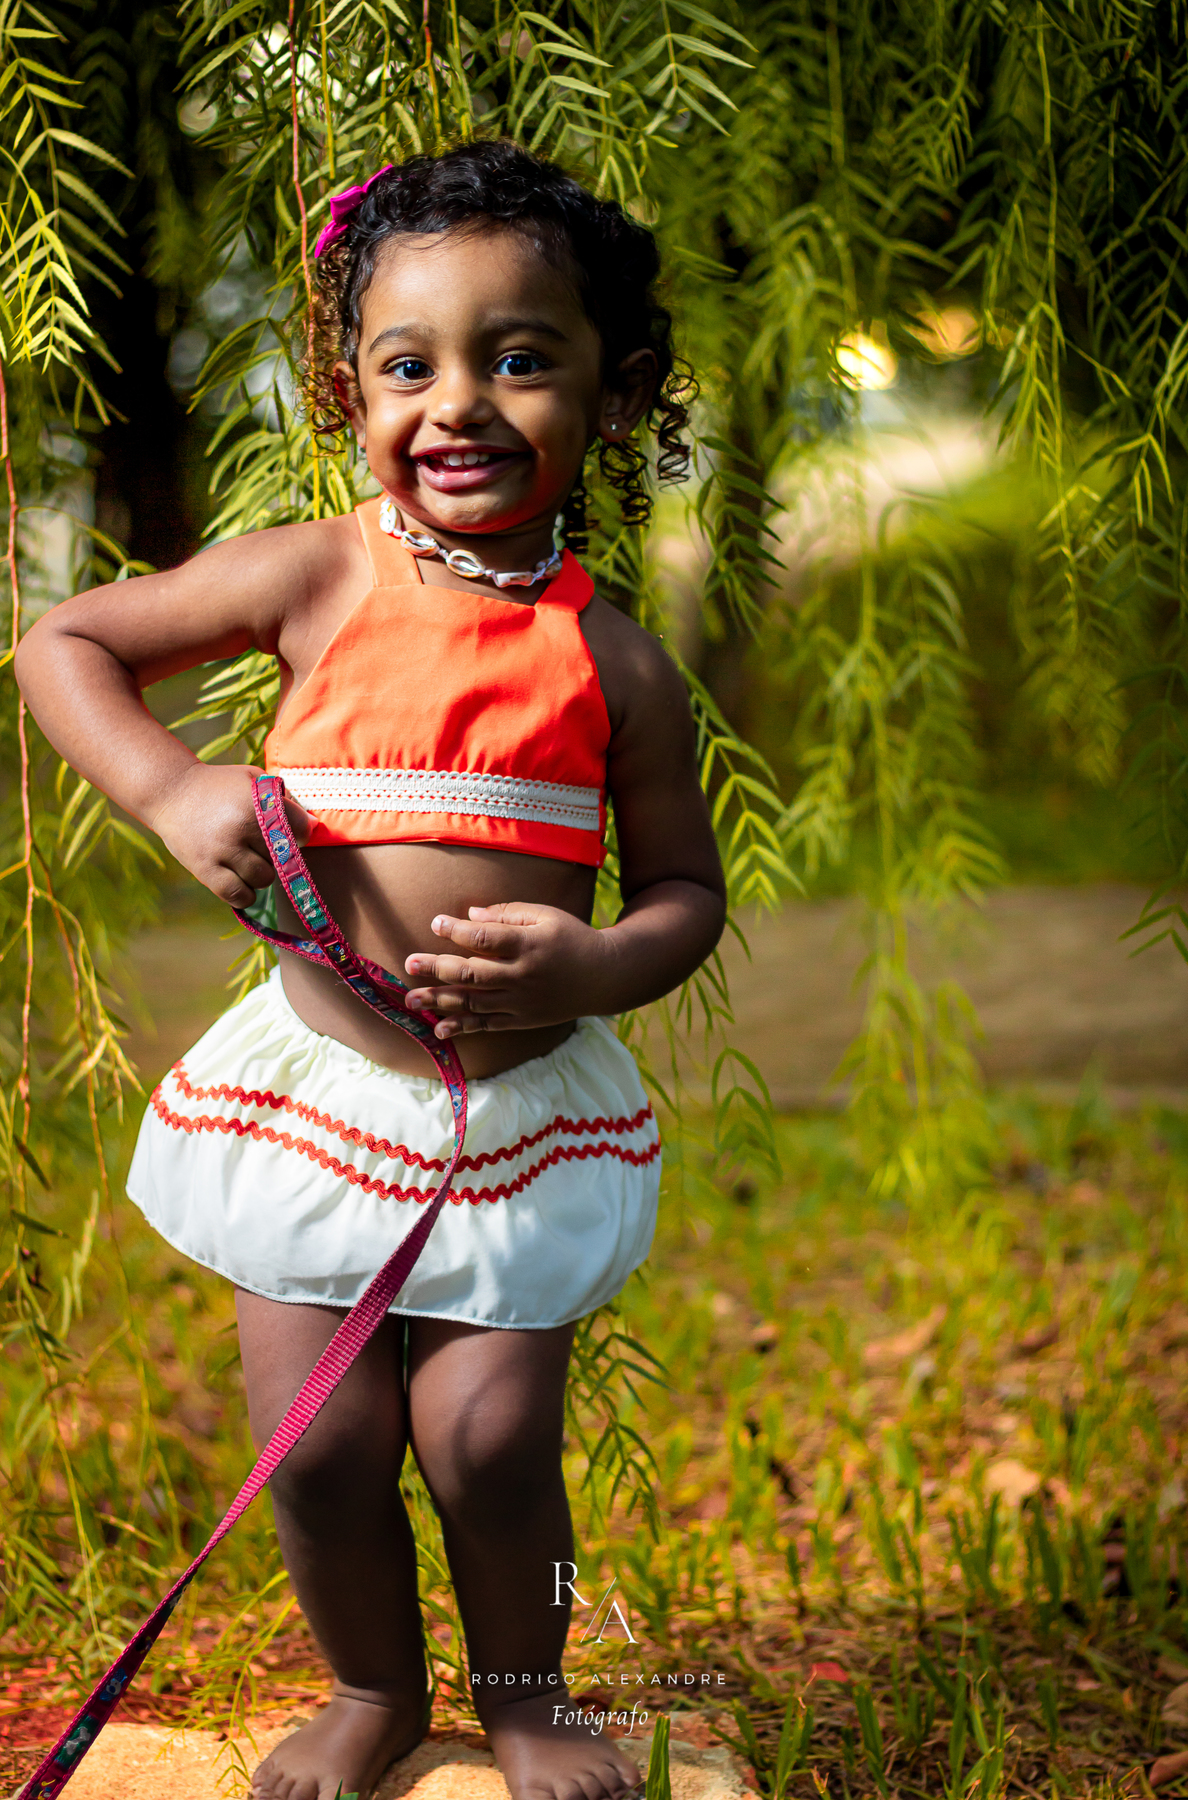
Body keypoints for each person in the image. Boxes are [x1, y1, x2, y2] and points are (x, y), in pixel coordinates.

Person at [15, 140, 726, 1800]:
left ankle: (530, 1702)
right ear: (349, 391)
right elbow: (66, 642)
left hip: (508, 1119)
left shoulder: (616, 664)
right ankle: (370, 1690)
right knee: (323, 1445)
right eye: (410, 365)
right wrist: (170, 789)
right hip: (321, 1102)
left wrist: (591, 964)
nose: (458, 403)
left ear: (617, 394)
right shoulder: (319, 576)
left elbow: (687, 896)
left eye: (519, 357)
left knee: (492, 1442)